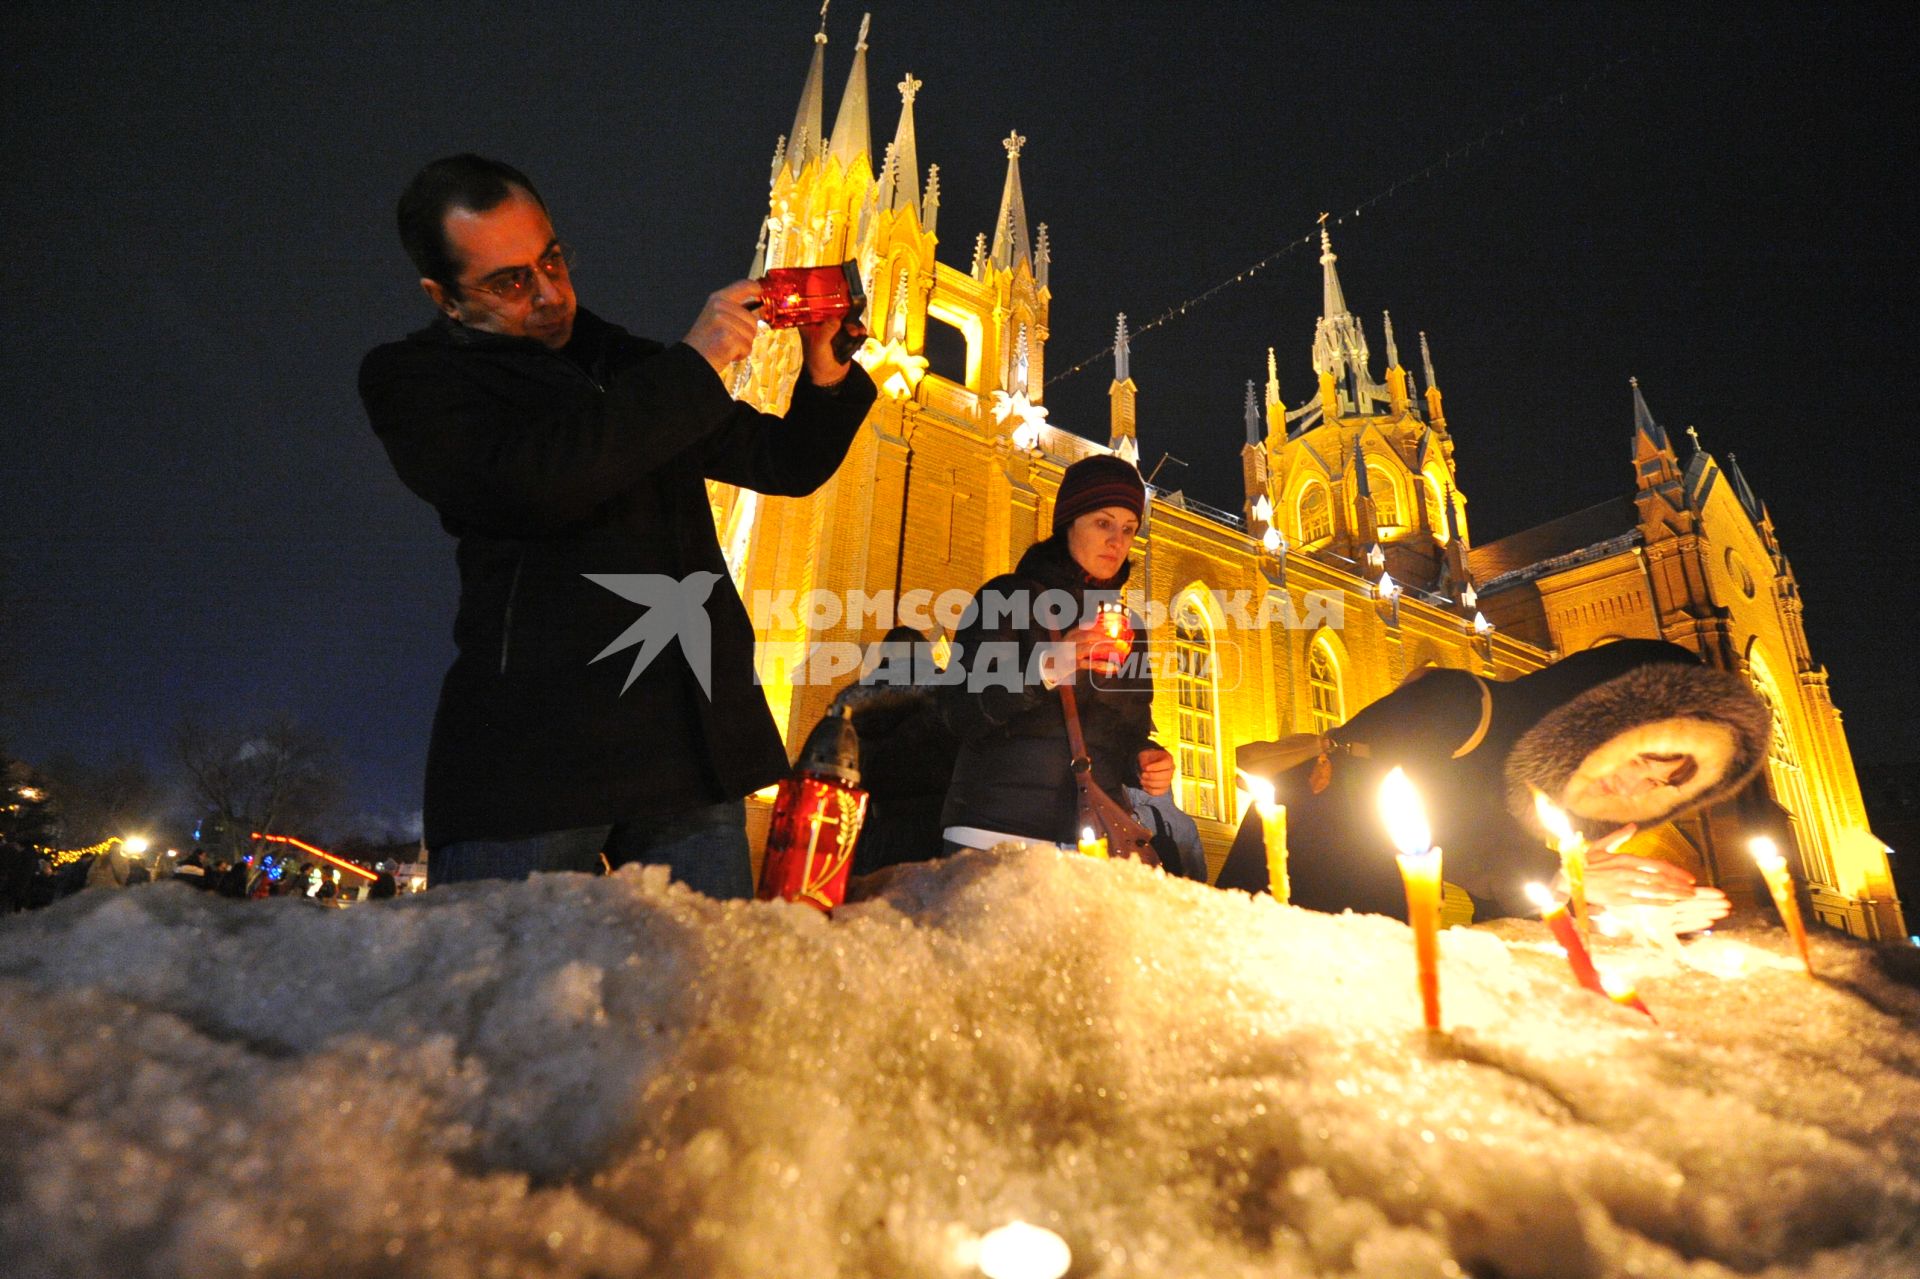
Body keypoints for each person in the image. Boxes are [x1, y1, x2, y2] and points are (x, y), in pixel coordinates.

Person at [360, 155, 875, 894]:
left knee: (701, 998)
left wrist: (825, 372)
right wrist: (693, 367)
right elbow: (533, 482)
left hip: (691, 746)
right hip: (534, 758)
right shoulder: (413, 379)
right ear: (443, 298)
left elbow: (782, 463)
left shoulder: (620, 359)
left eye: (553, 260)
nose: (548, 294)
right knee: (506, 994)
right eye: (509, 281)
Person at [1217, 640, 1769, 928]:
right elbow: (1403, 808)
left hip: (1366, 943)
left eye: (1654, 782)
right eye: (1638, 758)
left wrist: (1602, 908)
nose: (1631, 785)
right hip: (1280, 915)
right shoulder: (1458, 702)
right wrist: (1556, 877)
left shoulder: (1531, 802)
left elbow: (1497, 905)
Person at [937, 456, 1176, 853]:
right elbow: (958, 711)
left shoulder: (1127, 624)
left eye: (1129, 529)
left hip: (1091, 840)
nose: (1117, 541)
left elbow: (1126, 730)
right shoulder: (1008, 596)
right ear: (1069, 521)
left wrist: (1145, 761)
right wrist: (1046, 668)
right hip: (997, 833)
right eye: (1103, 523)